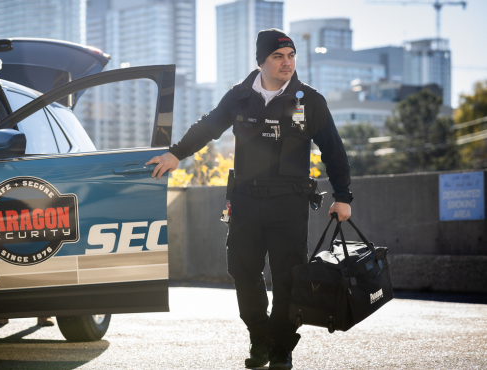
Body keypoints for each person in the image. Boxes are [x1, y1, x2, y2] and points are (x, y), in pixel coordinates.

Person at [147, 29, 352, 369]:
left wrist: (343, 196)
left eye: (291, 56)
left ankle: (281, 347)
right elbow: (210, 125)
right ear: (261, 61)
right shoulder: (239, 96)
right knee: (243, 272)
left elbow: (334, 150)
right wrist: (176, 154)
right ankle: (260, 339)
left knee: (288, 276)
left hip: (289, 202)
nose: (287, 63)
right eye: (278, 56)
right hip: (245, 200)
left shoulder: (309, 100)